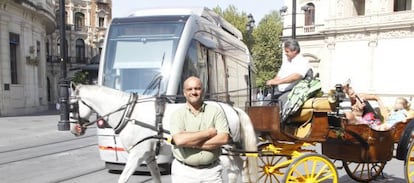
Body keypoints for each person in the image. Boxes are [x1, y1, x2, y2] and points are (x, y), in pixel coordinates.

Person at [170, 76, 230, 183]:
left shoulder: (215, 112)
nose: (194, 92)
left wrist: (189, 142)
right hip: (184, 173)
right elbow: (179, 140)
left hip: (211, 172)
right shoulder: (177, 115)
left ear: (203, 91)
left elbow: (223, 138)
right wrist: (208, 133)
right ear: (184, 92)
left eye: (197, 88)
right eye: (190, 89)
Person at [266, 38, 310, 104]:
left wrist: (278, 82)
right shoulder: (286, 62)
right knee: (265, 101)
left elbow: (296, 76)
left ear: (294, 51)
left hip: (292, 92)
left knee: (280, 103)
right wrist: (272, 81)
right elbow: (279, 76)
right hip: (279, 91)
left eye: (287, 51)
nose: (285, 53)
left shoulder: (303, 61)